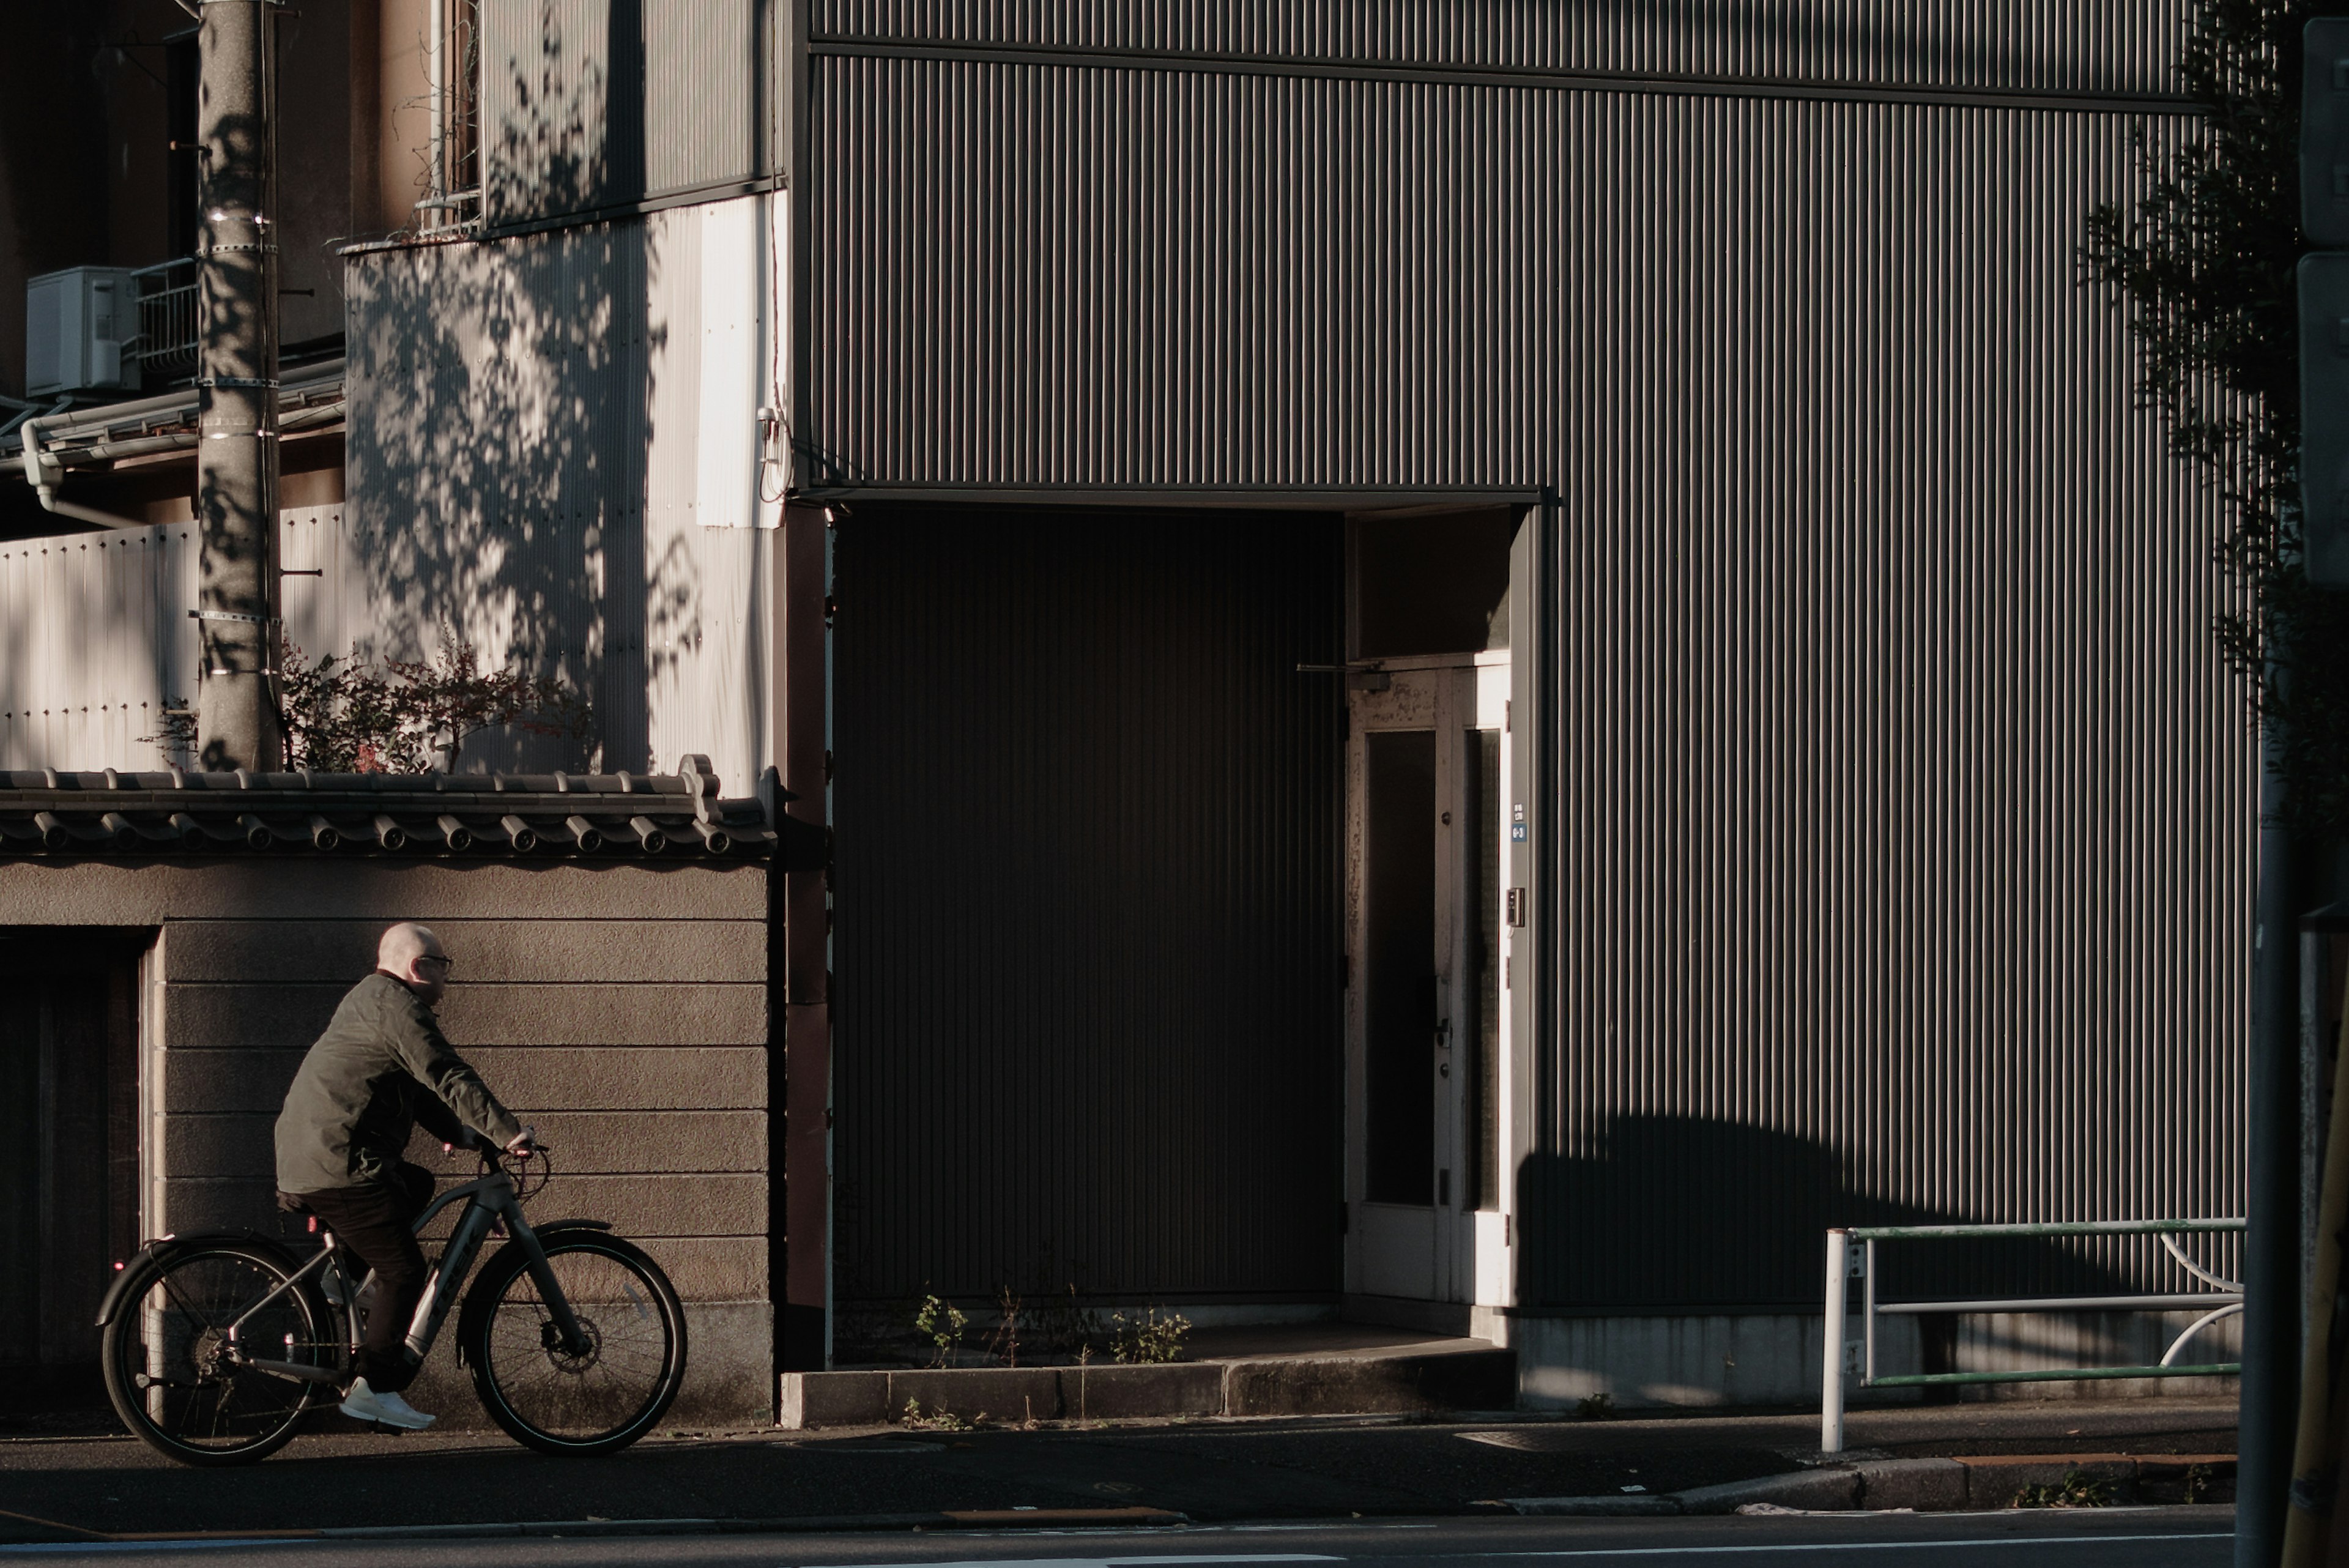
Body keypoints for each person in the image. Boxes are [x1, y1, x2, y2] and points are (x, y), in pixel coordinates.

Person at [274, 921, 533, 1431]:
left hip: (316, 1154)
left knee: (416, 1184)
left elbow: (413, 1086)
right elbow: (446, 1072)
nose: (445, 978)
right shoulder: (402, 1008)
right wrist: (507, 1131)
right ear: (419, 966)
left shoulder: (370, 999)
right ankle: (375, 1387)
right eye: (442, 965)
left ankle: (344, 1279)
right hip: (340, 1161)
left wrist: (463, 1133)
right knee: (406, 1271)